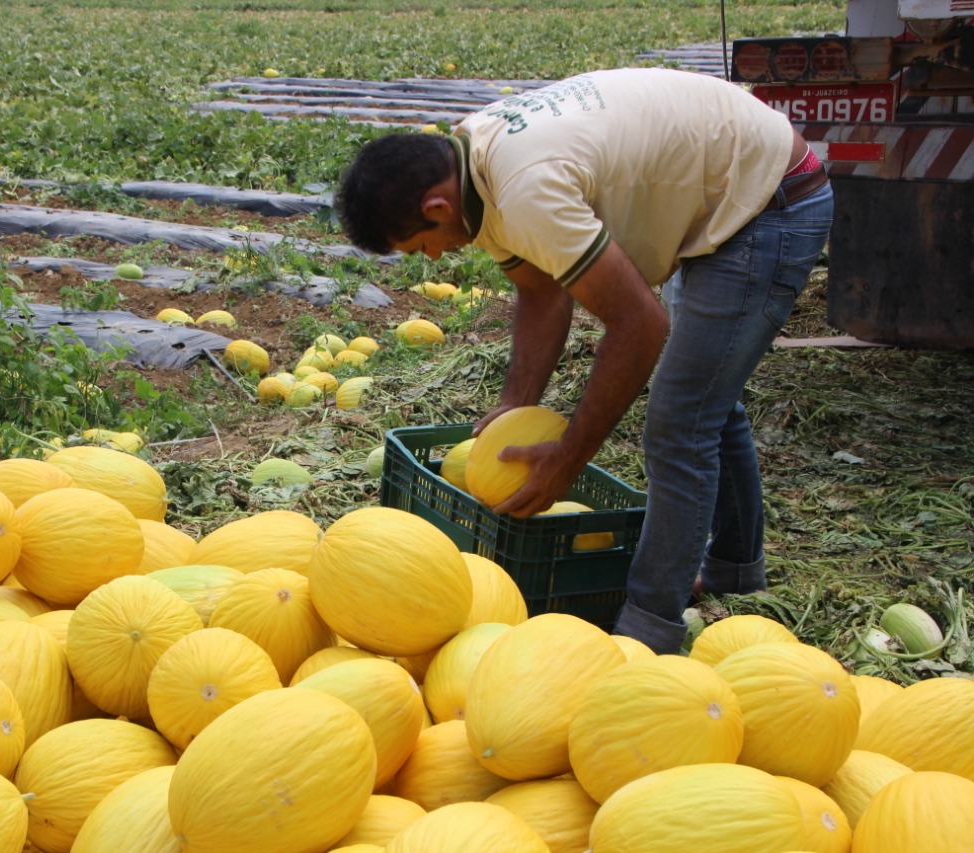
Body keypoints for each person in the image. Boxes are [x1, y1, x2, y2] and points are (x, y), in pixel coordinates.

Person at [334, 67, 833, 654]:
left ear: (437, 205)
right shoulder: (476, 160)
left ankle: (650, 626)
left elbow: (641, 324)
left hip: (767, 201)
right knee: (705, 399)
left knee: (679, 421)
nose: (435, 258)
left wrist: (570, 456)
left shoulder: (524, 188)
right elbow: (541, 290)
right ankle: (735, 569)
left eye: (422, 245)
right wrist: (514, 406)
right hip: (722, 183)